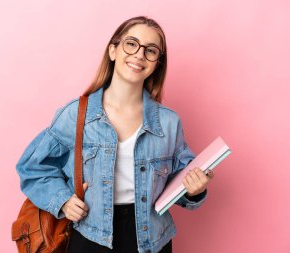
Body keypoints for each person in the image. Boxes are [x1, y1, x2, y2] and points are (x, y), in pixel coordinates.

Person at [16, 16, 214, 253]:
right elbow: (32, 168)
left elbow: (180, 184)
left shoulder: (169, 122)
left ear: (157, 63)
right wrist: (63, 201)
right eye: (131, 44)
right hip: (90, 238)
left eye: (151, 50)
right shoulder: (75, 115)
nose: (139, 54)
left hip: (151, 241)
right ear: (113, 50)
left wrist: (195, 190)